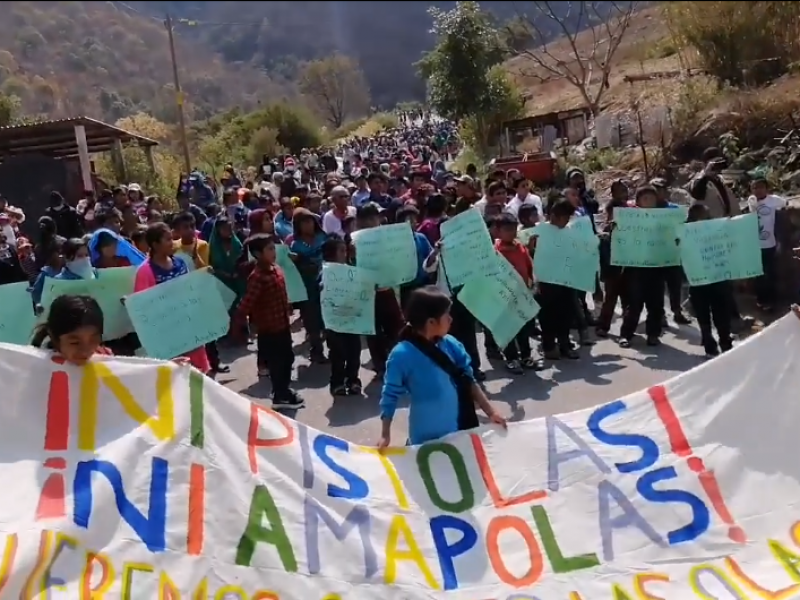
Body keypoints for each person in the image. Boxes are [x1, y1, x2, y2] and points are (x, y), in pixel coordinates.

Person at [377, 286, 506, 449]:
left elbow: (469, 381)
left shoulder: (452, 345)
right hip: (424, 438)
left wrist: (491, 412)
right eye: (447, 316)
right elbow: (390, 395)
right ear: (431, 322)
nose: (451, 320)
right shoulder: (402, 355)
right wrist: (385, 435)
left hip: (459, 431)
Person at [234, 235, 303, 409]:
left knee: (287, 358)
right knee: (278, 362)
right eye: (269, 249)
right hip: (269, 329)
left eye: (274, 248)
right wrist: (239, 323)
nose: (273, 252)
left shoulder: (276, 269)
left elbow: (282, 292)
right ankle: (280, 396)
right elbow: (247, 303)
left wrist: (288, 306)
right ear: (257, 254)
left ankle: (283, 390)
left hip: (282, 324)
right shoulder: (257, 277)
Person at [134, 223, 210, 373]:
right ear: (155, 244)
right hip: (167, 334)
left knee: (197, 374)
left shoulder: (180, 263)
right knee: (175, 376)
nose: (173, 242)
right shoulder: (145, 271)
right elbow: (144, 307)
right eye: (167, 239)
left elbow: (190, 289)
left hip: (189, 327)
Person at [493, 212, 543, 373]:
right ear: (498, 231)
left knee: (524, 328)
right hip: (504, 297)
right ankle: (511, 359)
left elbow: (529, 265)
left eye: (514, 229)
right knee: (509, 329)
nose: (512, 233)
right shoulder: (494, 251)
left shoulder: (520, 246)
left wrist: (533, 281)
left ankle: (526, 356)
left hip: (522, 295)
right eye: (507, 230)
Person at [683, 203, 733, 357]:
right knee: (702, 313)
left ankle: (725, 341)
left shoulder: (717, 228)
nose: (702, 217)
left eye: (704, 213)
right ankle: (708, 341)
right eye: (698, 214)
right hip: (698, 281)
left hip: (718, 278)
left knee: (721, 312)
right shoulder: (684, 232)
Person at [618, 186, 665, 348]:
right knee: (634, 304)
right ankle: (626, 334)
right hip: (636, 268)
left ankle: (653, 335)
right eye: (645, 199)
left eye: (652, 199)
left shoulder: (664, 220)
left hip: (656, 267)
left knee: (656, 304)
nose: (649, 202)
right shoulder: (630, 220)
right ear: (638, 202)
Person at [321, 237, 363, 396]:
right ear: (331, 254)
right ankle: (337, 382)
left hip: (352, 320)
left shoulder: (351, 269)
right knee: (338, 353)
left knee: (354, 351)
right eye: (341, 251)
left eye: (345, 250)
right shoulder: (326, 272)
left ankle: (353, 380)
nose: (344, 253)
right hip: (334, 322)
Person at [31, 295, 111, 365]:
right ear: (54, 338)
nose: (85, 351)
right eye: (75, 343)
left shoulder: (104, 357)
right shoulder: (39, 367)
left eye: (93, 340)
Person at [747, 176, 786, 311]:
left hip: (770, 243)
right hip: (755, 244)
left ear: (766, 189)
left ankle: (772, 301)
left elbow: (785, 205)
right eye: (754, 187)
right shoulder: (751, 201)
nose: (757, 190)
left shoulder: (775, 201)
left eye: (760, 187)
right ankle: (761, 300)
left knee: (770, 273)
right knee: (758, 274)